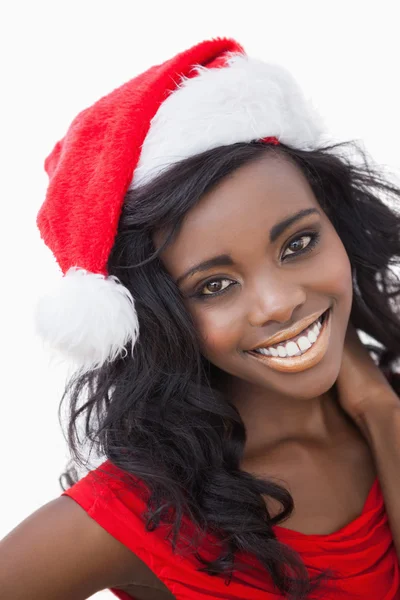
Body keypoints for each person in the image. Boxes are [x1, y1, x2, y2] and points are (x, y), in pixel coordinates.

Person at [1, 37, 400, 600]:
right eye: (215, 285)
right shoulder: (142, 513)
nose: (278, 303)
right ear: (157, 316)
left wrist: (380, 410)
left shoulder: (387, 404)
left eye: (298, 243)